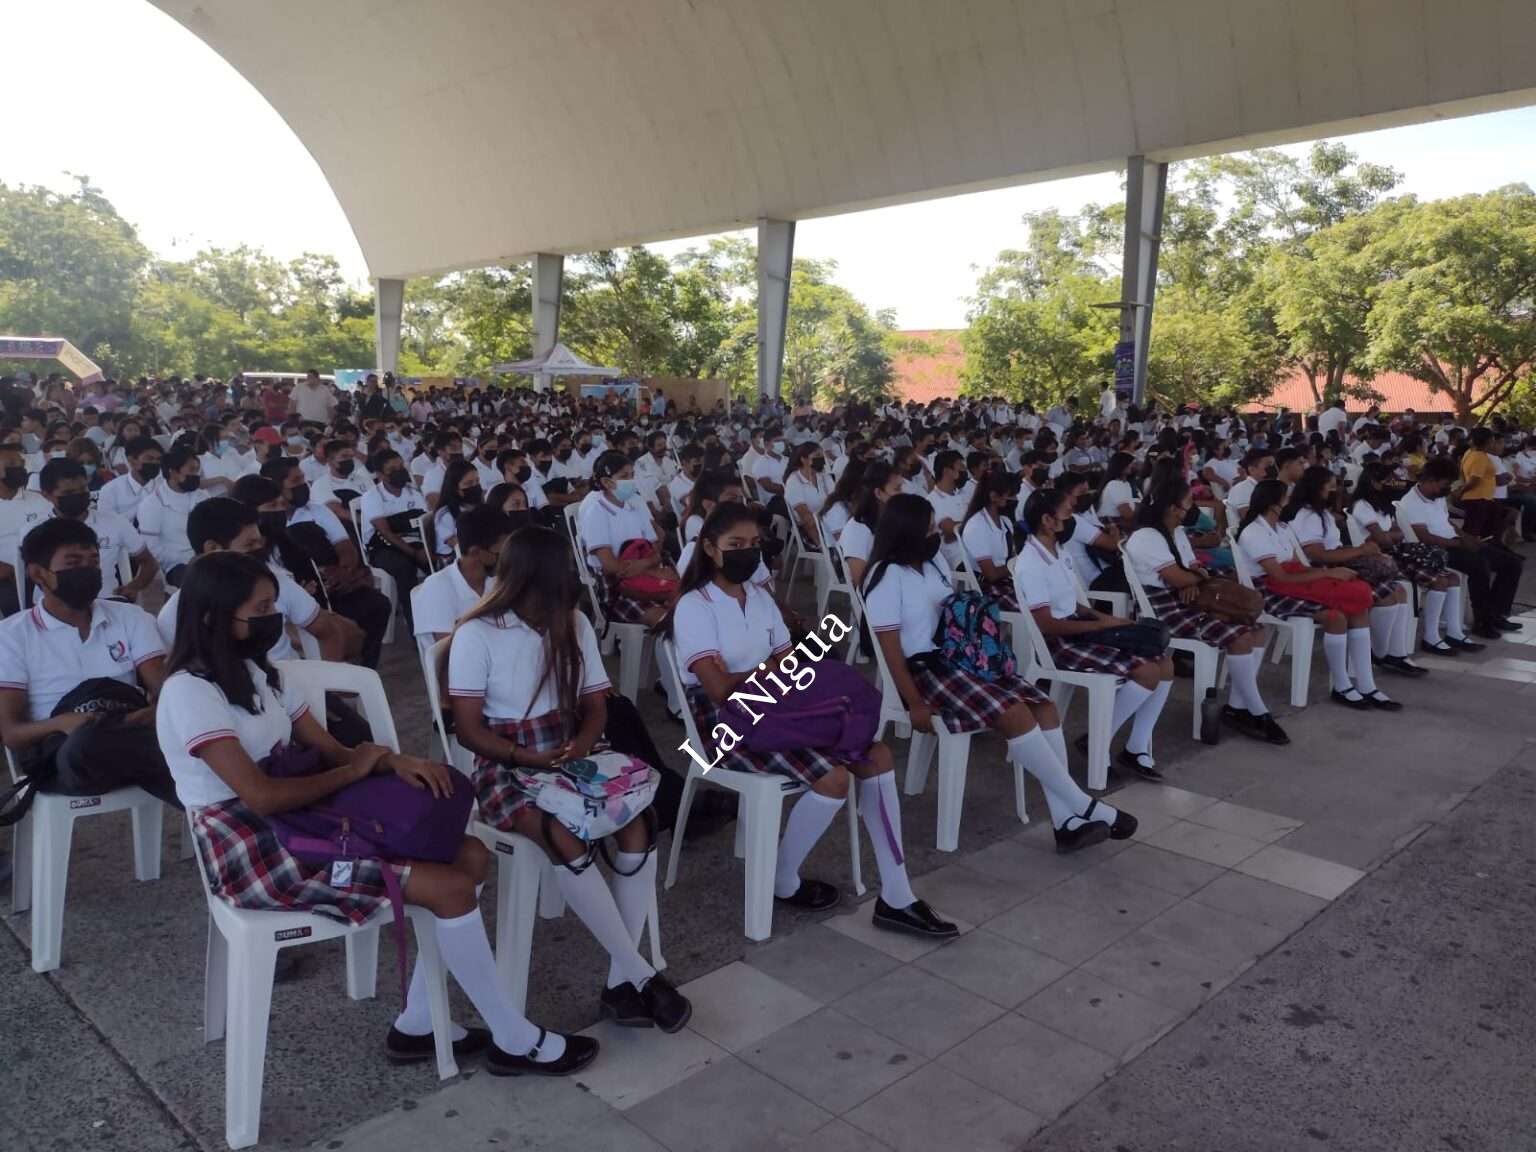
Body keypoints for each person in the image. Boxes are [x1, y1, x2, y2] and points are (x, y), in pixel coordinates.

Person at [157, 551, 594, 1075]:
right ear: (213, 616)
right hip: (252, 847)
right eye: (262, 609)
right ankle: (514, 1037)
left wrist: (391, 761)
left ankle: (418, 1021)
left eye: (274, 605)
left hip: (303, 817)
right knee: (449, 887)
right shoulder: (189, 692)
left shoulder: (259, 674)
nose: (275, 619)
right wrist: (356, 771)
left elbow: (332, 749)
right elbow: (262, 797)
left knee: (471, 854)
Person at [667, 502, 956, 935]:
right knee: (834, 779)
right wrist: (773, 670)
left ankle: (898, 896)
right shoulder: (695, 605)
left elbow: (790, 665)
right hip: (724, 723)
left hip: (777, 706)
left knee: (877, 756)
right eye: (735, 544)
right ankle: (781, 879)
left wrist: (777, 671)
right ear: (709, 548)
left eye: (754, 543)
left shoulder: (760, 599)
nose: (749, 552)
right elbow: (719, 689)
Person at [448, 527, 691, 1031]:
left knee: (638, 823)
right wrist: (525, 757)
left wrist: (581, 744)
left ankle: (620, 983)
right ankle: (640, 975)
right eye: (560, 574)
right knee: (562, 833)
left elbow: (595, 704)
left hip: (568, 747)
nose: (571, 583)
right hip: (505, 762)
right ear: (527, 580)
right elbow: (469, 731)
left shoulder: (573, 623)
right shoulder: (477, 633)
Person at [863, 494, 1136, 852]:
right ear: (908, 532)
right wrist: (913, 703)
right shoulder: (886, 577)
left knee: (1043, 707)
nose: (935, 534)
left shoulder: (933, 565)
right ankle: (1082, 804)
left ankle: (1064, 820)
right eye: (928, 528)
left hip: (960, 659)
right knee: (1014, 713)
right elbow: (890, 650)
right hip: (924, 672)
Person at [0, 517, 175, 800]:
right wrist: (61, 724)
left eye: (93, 562)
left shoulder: (130, 617)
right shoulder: (11, 636)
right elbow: (12, 734)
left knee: (187, 717)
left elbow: (167, 691)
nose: (87, 570)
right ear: (38, 574)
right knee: (88, 741)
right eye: (73, 563)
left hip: (131, 726)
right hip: (65, 753)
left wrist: (154, 712)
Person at [1015, 487, 1175, 780]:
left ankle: (1136, 747)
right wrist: (1100, 626)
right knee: (1148, 671)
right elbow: (1047, 624)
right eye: (1066, 513)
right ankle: (1098, 742)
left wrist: (1106, 618)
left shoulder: (1057, 551)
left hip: (1079, 627)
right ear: (1047, 520)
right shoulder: (1031, 563)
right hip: (1060, 642)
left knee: (1164, 663)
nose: (1071, 519)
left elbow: (1070, 603)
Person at [1126, 480, 1288, 745]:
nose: (1193, 508)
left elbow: (1193, 569)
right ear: (1172, 508)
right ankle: (1259, 712)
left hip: (1190, 598)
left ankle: (1238, 706)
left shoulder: (1177, 532)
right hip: (1162, 608)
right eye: (1188, 503)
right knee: (1240, 637)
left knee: (1256, 628)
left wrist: (1192, 579)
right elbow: (1179, 578)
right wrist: (1191, 579)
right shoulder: (1147, 537)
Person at [1237, 480, 1396, 710]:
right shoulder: (1253, 532)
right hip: (1268, 590)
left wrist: (1326, 576)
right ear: (1273, 504)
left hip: (1291, 581)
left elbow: (1297, 566)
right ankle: (1342, 685)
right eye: (1285, 498)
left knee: (1358, 608)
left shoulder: (1281, 528)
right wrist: (1326, 574)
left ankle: (1366, 684)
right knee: (1335, 616)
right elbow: (1280, 577)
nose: (1289, 502)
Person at [1283, 466, 1423, 678]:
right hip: (1325, 571)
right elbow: (1317, 555)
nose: (1337, 491)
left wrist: (1363, 552)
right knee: (1388, 596)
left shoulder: (1322, 513)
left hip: (1337, 564)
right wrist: (1360, 551)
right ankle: (1379, 653)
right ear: (1316, 488)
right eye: (1331, 487)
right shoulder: (1307, 516)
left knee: (1400, 591)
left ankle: (1396, 653)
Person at [1348, 461, 1471, 656]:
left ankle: (1453, 632)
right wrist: (1389, 535)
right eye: (1388, 480)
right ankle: (1429, 638)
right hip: (1382, 558)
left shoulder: (1382, 505)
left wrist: (1389, 535)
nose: (1393, 484)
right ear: (1373, 482)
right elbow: (1384, 539)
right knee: (1439, 581)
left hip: (1396, 553)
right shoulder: (1362, 506)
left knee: (1453, 578)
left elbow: (1395, 534)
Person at [1399, 457, 1523, 641]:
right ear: (1430, 480)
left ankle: (1496, 614)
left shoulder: (1437, 496)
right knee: (1479, 565)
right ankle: (1482, 621)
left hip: (1454, 542)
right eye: (1445, 484)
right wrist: (1459, 544)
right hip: (1434, 550)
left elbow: (1447, 523)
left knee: (1512, 563)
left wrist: (1466, 537)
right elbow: (1424, 537)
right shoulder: (1410, 502)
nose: (1448, 489)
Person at [35, 459, 159, 601]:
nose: (78, 495)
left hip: (107, 600)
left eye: (83, 489)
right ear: (47, 495)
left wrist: (134, 586)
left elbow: (149, 562)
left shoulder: (114, 522)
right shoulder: (35, 531)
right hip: (54, 605)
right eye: (68, 492)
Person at [576, 451, 675, 628]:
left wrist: (647, 565)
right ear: (607, 482)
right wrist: (649, 568)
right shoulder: (596, 513)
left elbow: (655, 550)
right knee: (666, 619)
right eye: (624, 476)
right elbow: (610, 566)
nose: (631, 480)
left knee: (687, 608)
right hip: (617, 588)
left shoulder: (634, 504)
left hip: (646, 575)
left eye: (632, 475)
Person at [360, 449, 431, 624]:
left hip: (413, 540)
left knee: (438, 562)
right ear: (380, 475)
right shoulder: (372, 497)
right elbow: (385, 532)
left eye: (400, 466)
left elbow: (426, 523)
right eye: (392, 469)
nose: (399, 471)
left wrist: (428, 549)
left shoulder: (413, 492)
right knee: (404, 568)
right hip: (382, 547)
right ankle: (414, 621)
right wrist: (414, 553)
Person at [136, 445, 209, 586]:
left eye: (197, 470)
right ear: (173, 472)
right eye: (191, 470)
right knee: (200, 583)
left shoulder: (202, 496)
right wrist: (187, 559)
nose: (197, 475)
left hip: (206, 557)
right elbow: (151, 547)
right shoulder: (152, 504)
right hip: (175, 565)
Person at [959, 467, 1019, 607]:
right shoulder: (976, 526)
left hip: (1008, 579)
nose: (1014, 499)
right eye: (1009, 495)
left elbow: (1013, 556)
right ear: (994, 497)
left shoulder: (1005, 522)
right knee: (1030, 610)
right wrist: (1017, 564)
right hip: (988, 588)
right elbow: (991, 574)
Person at [838, 462, 903, 588]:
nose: (902, 494)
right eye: (897, 489)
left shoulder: (888, 520)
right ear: (878, 493)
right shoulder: (857, 530)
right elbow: (860, 581)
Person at [98, 437, 163, 523]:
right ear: (132, 461)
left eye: (158, 460)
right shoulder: (110, 491)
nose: (155, 463)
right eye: (149, 459)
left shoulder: (165, 486)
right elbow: (106, 525)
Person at [782, 442, 833, 551]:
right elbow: (806, 518)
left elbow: (834, 501)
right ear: (804, 459)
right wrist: (822, 546)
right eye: (817, 456)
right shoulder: (794, 482)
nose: (821, 459)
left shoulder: (824, 477)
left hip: (828, 521)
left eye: (822, 455)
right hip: (811, 528)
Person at [431, 459, 483, 563]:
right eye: (468, 484)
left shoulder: (477, 506)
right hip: (454, 560)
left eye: (477, 481)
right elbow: (457, 545)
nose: (475, 486)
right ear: (454, 488)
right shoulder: (444, 514)